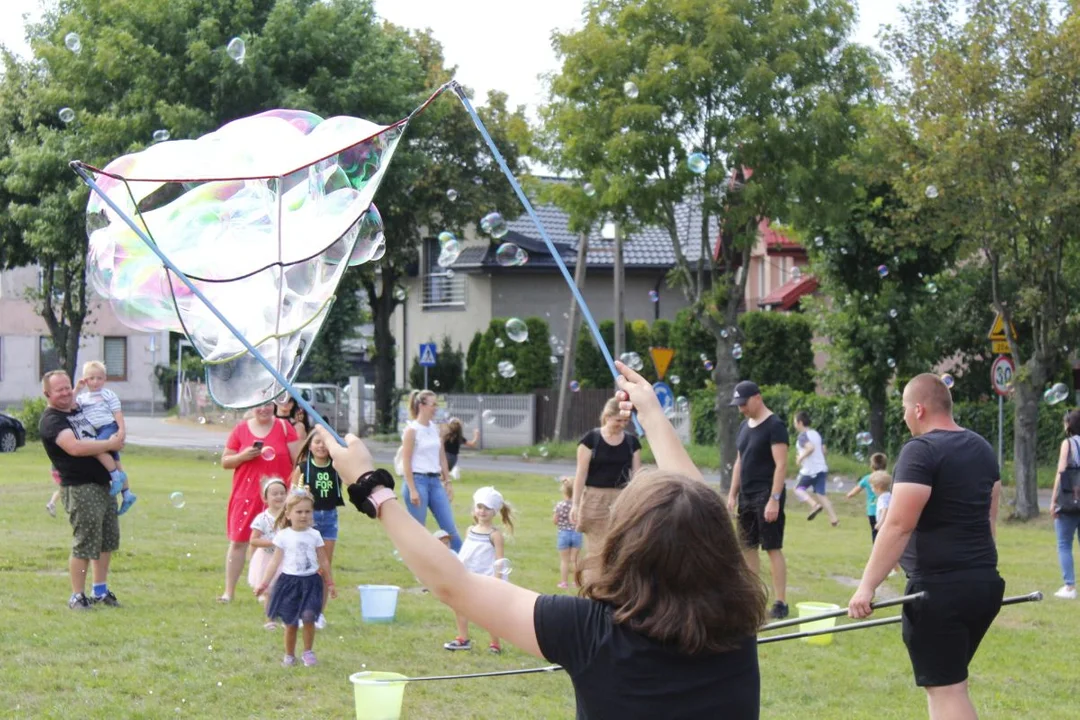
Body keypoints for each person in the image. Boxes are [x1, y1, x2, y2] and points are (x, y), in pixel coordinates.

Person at [322, 359, 766, 719]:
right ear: (716, 547)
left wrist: (369, 485)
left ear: (626, 549)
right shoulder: (737, 623)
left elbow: (455, 584)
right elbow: (698, 512)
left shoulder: (591, 632)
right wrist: (650, 414)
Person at [848, 373, 1004, 720]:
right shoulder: (982, 447)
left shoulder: (921, 451)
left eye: (904, 408)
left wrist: (866, 587)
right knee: (950, 685)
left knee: (947, 690)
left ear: (918, 409)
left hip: (938, 591)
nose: (903, 416)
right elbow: (989, 520)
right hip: (983, 584)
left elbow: (899, 525)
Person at [38, 370, 126, 610]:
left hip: (102, 484)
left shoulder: (78, 409)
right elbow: (75, 447)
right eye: (60, 389)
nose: (66, 392)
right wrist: (110, 444)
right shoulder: (52, 421)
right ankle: (77, 595)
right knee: (85, 543)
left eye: (68, 387)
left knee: (106, 541)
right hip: (79, 487)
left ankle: (100, 590)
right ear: (48, 394)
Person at [218, 402, 299, 603]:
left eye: (268, 405)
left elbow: (297, 461)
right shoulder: (241, 429)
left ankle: (264, 589)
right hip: (246, 495)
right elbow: (225, 462)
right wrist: (243, 456)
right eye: (259, 406)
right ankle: (229, 592)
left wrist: (295, 492)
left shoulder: (283, 427)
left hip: (278, 498)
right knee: (238, 541)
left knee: (273, 543)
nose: (263, 409)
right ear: (252, 408)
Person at [726, 381, 791, 620]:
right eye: (738, 405)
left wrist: (774, 499)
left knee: (772, 547)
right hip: (747, 494)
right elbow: (740, 462)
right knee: (747, 546)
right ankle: (753, 598)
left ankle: (780, 602)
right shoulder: (744, 426)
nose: (741, 408)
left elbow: (782, 465)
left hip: (767, 493)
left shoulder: (775, 426)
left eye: (743, 403)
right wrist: (732, 495)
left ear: (757, 398)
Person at [255, 488, 336, 667]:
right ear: (288, 514)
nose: (303, 515)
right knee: (290, 623)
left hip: (311, 583)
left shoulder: (314, 535)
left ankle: (308, 652)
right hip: (289, 584)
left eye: (307, 511)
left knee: (309, 617)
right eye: (299, 512)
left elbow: (323, 559)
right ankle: (289, 655)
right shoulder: (283, 536)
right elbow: (274, 562)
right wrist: (264, 583)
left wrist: (329, 583)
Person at [570, 397, 642, 572]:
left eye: (625, 421)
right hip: (595, 499)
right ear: (607, 416)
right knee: (597, 550)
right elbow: (581, 473)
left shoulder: (632, 442)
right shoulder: (590, 440)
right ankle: (594, 589)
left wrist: (638, 502)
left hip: (622, 499)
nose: (622, 424)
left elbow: (637, 475)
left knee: (620, 548)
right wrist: (575, 504)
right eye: (618, 420)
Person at [445, 486, 515, 654]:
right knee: (459, 607)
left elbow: (499, 560)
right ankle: (463, 639)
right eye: (479, 507)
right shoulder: (470, 530)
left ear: (495, 512)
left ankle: (495, 644)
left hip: (487, 580)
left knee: (488, 612)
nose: (482, 511)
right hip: (469, 577)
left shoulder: (494, 535)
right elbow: (466, 555)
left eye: (487, 508)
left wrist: (497, 581)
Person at [289, 432, 343, 628]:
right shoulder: (303, 468)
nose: (321, 446)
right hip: (308, 519)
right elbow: (292, 497)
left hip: (329, 518)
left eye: (326, 443)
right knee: (304, 566)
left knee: (323, 566)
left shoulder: (337, 467)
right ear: (309, 445)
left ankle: (318, 613)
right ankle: (300, 609)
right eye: (317, 442)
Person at [400, 390, 461, 551]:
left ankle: (464, 565)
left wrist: (447, 482)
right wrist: (412, 489)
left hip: (435, 482)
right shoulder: (411, 430)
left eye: (437, 405)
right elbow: (406, 461)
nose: (436, 408)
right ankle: (422, 569)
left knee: (450, 528)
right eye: (433, 404)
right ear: (422, 406)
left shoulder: (436, 429)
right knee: (419, 531)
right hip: (417, 481)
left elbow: (441, 458)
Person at [75, 360, 137, 515]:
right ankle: (127, 494)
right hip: (96, 430)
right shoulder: (83, 398)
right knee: (115, 460)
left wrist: (122, 430)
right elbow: (71, 404)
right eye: (91, 378)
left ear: (105, 379)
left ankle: (116, 478)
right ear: (85, 379)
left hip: (109, 426)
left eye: (99, 378)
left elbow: (117, 413)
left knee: (96, 449)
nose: (95, 382)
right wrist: (77, 388)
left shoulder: (107, 394)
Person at [248, 476, 288, 626]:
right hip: (267, 558)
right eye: (274, 494)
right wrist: (272, 542)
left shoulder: (290, 515)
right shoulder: (262, 518)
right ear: (265, 498)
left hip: (285, 558)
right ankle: (270, 619)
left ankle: (285, 617)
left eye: (282, 493)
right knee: (268, 591)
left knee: (285, 589)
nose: (279, 496)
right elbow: (253, 540)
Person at [1050, 409, 1080, 599]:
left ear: (1069, 424)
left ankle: (1069, 587)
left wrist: (1053, 501)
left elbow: (1062, 473)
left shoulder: (1068, 444)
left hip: (1069, 501)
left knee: (1064, 544)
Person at [792, 411, 837, 526]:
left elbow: (810, 448)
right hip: (821, 468)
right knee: (821, 494)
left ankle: (814, 505)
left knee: (798, 489)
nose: (794, 424)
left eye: (795, 422)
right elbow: (824, 451)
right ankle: (834, 519)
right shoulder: (816, 434)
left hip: (810, 471)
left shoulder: (803, 436)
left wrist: (800, 458)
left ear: (800, 423)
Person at [847, 452, 888, 542]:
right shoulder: (887, 478)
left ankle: (876, 550)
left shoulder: (867, 478)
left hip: (872, 511)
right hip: (887, 511)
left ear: (871, 466)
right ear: (885, 465)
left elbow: (855, 490)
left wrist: (849, 495)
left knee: (875, 533)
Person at [553, 477, 583, 589]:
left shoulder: (560, 505)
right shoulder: (578, 506)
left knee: (564, 560)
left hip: (563, 534)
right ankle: (576, 582)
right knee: (575, 559)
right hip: (576, 533)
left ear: (564, 492)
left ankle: (564, 583)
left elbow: (555, 520)